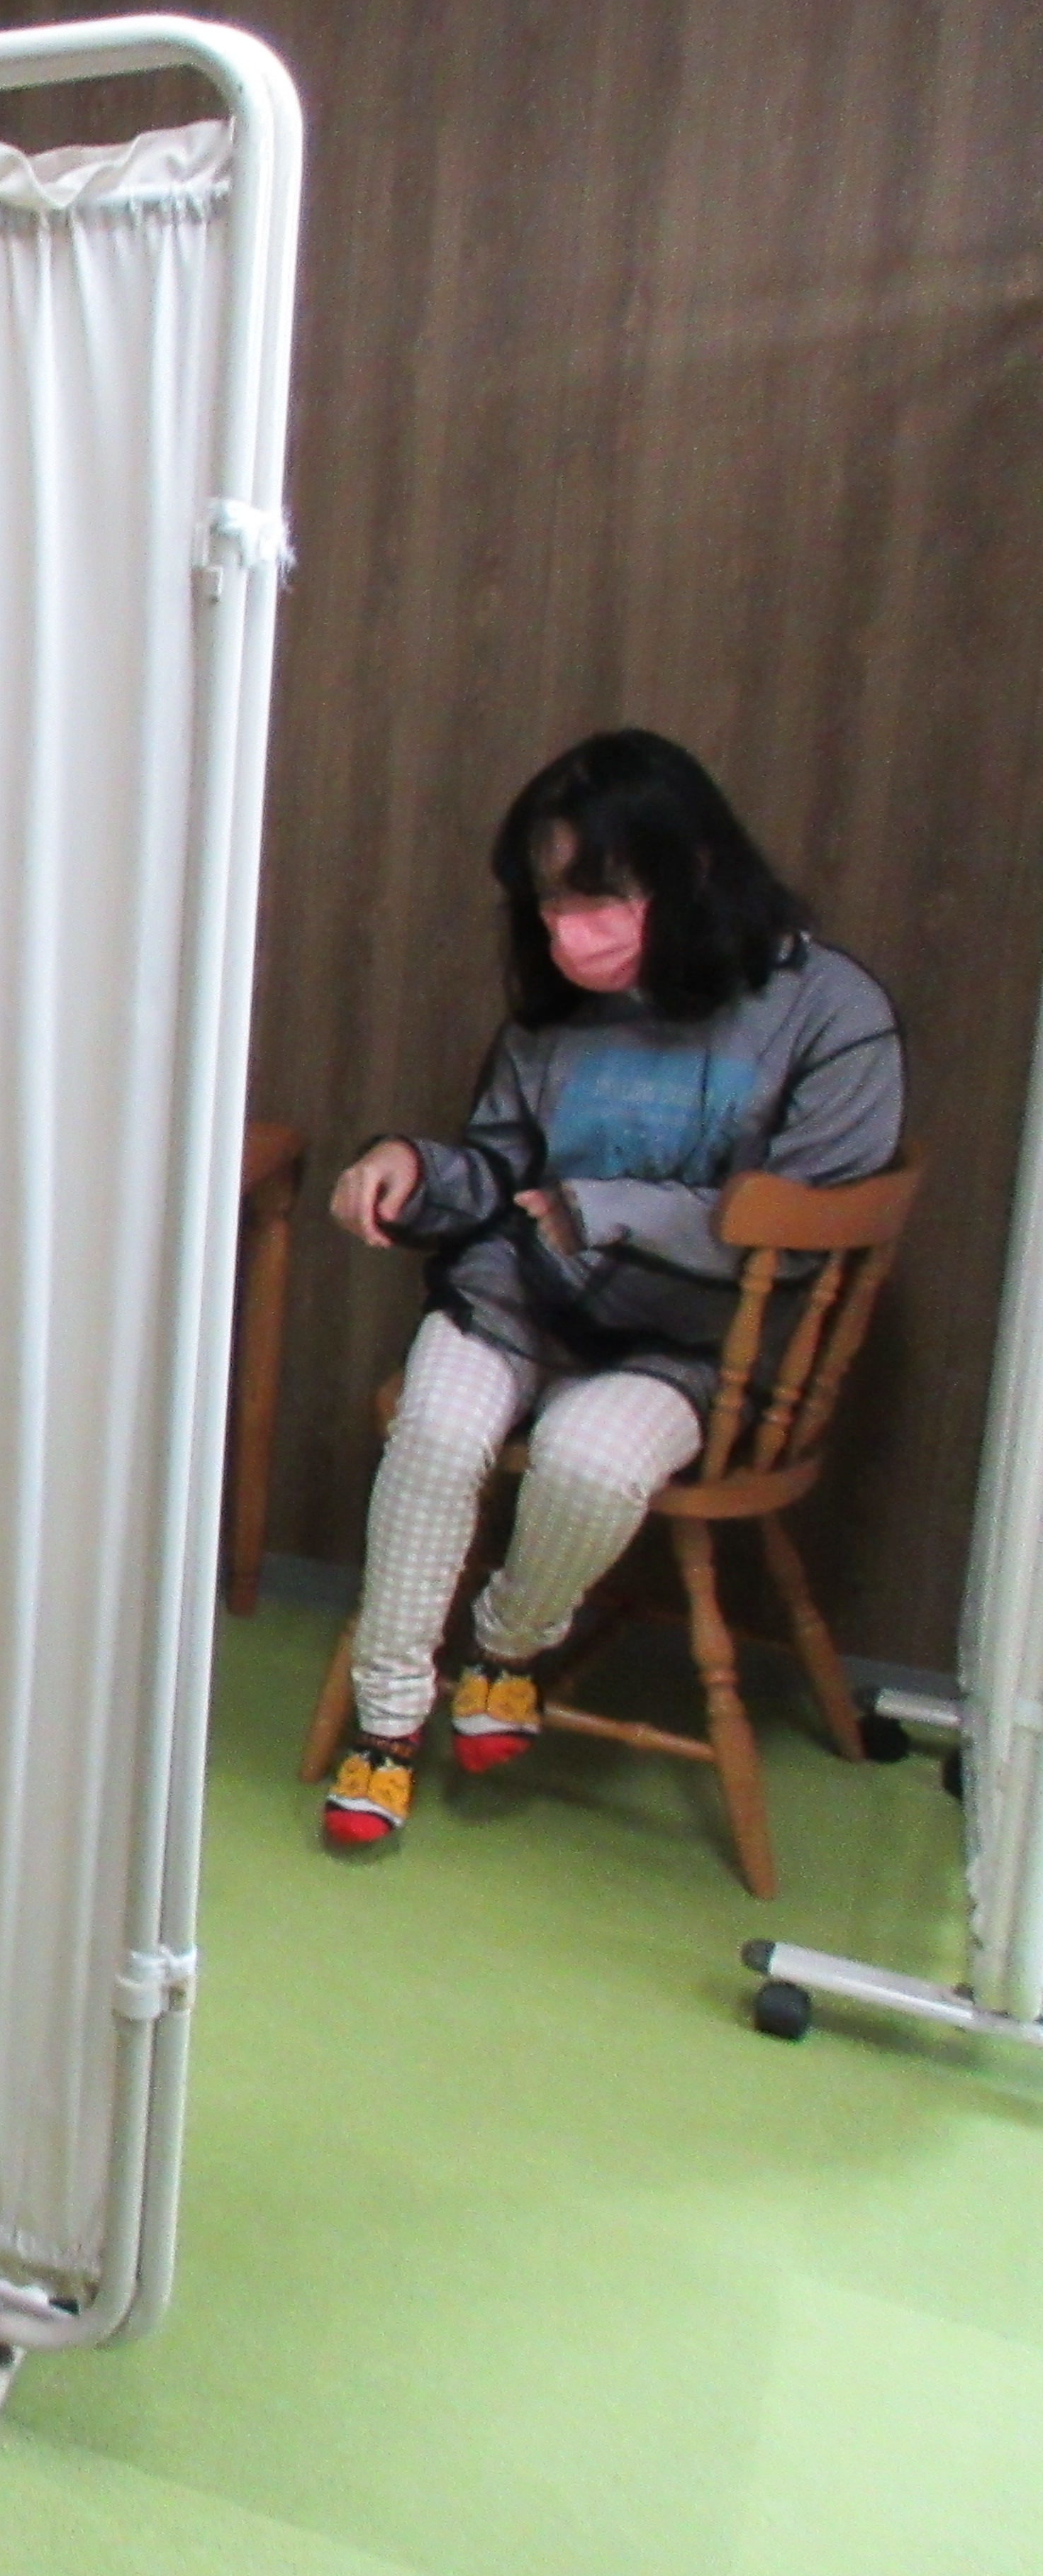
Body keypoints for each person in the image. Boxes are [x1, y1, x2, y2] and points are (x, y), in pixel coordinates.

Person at [318, 729, 903, 1849]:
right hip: (521, 1296)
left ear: (692, 870)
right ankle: (386, 1724)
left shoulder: (830, 1013)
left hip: (693, 1342)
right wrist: (408, 1166)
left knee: (589, 1463)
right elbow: (498, 1166)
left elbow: (803, 1228)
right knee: (435, 1432)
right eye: (548, 901)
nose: (566, 929)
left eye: (594, 896)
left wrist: (605, 1208)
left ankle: (508, 1643)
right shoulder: (557, 1011)